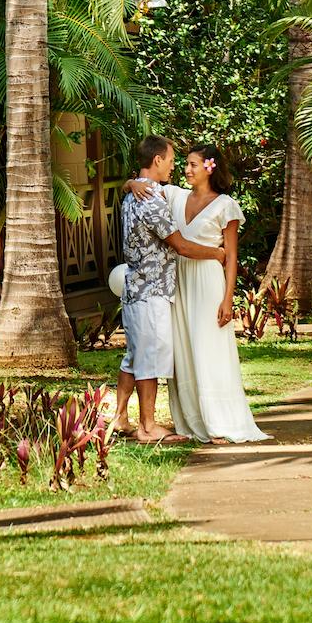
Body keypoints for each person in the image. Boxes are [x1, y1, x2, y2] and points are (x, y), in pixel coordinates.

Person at [127, 145, 269, 444]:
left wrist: (228, 298)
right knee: (185, 353)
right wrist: (131, 182)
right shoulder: (176, 195)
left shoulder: (225, 205)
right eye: (185, 164)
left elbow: (230, 256)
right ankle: (192, 420)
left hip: (207, 283)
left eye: (192, 165)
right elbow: (144, 183)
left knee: (210, 348)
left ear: (210, 167)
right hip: (178, 283)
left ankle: (220, 421)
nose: (186, 170)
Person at [114, 135, 230, 443]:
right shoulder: (150, 200)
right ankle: (148, 426)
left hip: (134, 288)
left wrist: (130, 182)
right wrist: (216, 254)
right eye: (170, 160)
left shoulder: (136, 194)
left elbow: (137, 185)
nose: (174, 166)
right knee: (150, 357)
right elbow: (179, 245)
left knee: (135, 355)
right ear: (157, 161)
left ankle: (120, 417)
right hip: (151, 290)